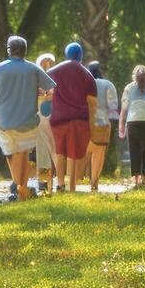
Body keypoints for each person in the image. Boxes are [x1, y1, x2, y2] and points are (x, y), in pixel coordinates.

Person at [0, 36, 55, 202]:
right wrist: (42, 94)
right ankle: (21, 187)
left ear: (9, 50)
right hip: (29, 121)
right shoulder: (33, 69)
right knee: (21, 154)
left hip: (5, 121)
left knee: (14, 154)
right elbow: (52, 90)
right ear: (25, 50)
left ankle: (20, 188)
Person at [47, 42, 99, 193]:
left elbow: (44, 90)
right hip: (80, 119)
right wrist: (93, 122)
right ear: (81, 56)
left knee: (60, 151)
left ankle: (60, 184)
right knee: (73, 152)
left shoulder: (53, 71)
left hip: (58, 118)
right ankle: (72, 186)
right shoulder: (87, 74)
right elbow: (92, 102)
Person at [87, 62, 120, 190]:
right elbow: (113, 107)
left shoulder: (83, 83)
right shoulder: (107, 84)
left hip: (85, 124)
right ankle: (94, 183)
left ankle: (74, 180)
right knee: (98, 155)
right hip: (102, 124)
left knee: (82, 154)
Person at [34, 52, 58, 194]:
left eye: (49, 63)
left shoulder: (56, 77)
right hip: (41, 115)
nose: (47, 65)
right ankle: (43, 181)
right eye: (45, 63)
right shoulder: (34, 78)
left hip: (54, 115)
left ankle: (57, 178)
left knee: (54, 148)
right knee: (42, 149)